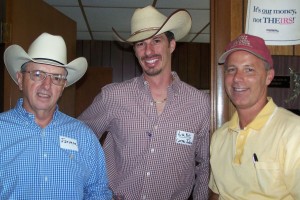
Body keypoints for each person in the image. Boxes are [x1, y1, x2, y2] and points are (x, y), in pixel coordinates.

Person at [78, 5, 210, 200]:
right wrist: (94, 193)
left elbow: (205, 166)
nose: (148, 51)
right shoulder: (113, 96)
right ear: (134, 50)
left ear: (171, 45)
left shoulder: (199, 104)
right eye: (140, 43)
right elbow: (77, 142)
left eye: (156, 41)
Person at [0, 32, 112, 199]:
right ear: (20, 79)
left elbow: (99, 191)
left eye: (56, 78)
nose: (47, 85)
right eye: (38, 74)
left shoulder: (84, 136)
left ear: (63, 86)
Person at [209, 33, 300, 199]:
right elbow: (217, 194)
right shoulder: (219, 137)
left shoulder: (294, 132)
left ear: (268, 77)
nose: (237, 78)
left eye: (249, 69)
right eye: (231, 69)